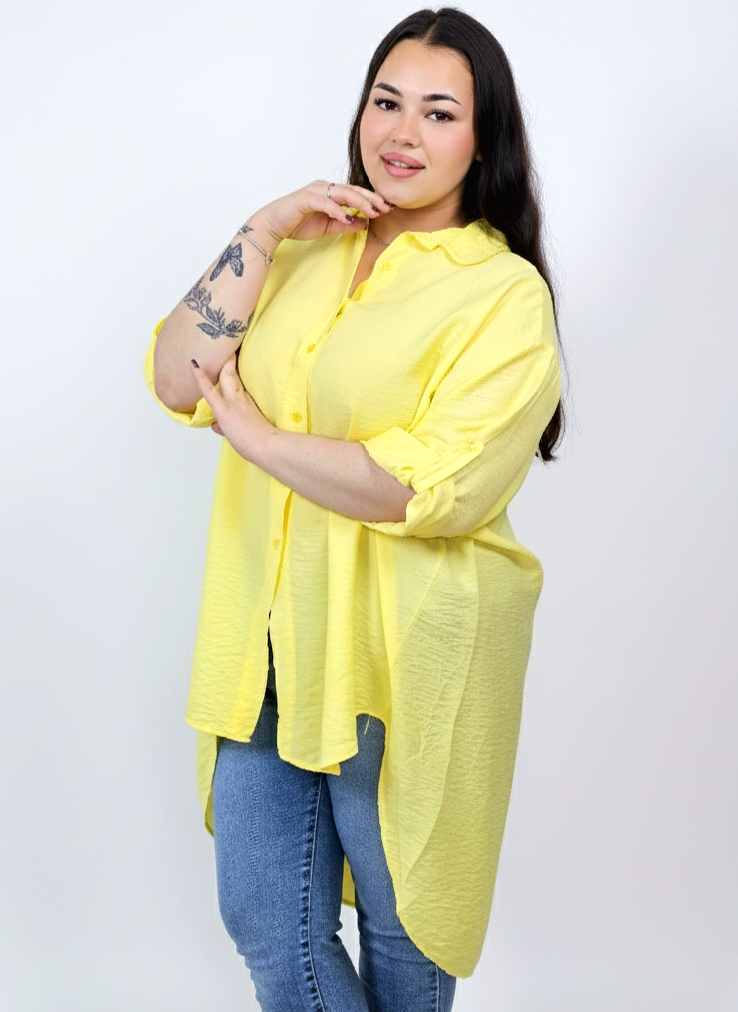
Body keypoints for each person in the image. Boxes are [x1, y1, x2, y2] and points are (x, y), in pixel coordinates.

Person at [143, 7, 564, 1011]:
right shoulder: (299, 254)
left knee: (402, 944)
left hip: (399, 658)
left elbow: (432, 485)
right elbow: (175, 375)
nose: (402, 133)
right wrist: (263, 227)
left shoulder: (503, 294)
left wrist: (261, 442)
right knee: (268, 927)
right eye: (387, 102)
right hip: (264, 646)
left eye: (439, 112)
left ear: (484, 139)